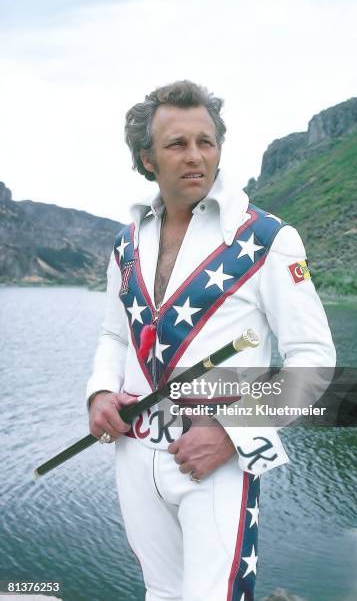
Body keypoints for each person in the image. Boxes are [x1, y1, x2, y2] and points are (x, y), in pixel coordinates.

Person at [86, 80, 336, 601]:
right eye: (177, 144)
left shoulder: (270, 240)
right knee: (160, 593)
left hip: (218, 458)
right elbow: (114, 334)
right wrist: (100, 392)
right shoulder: (125, 242)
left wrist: (232, 431)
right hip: (135, 455)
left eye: (207, 141)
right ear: (147, 158)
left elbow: (314, 359)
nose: (196, 156)